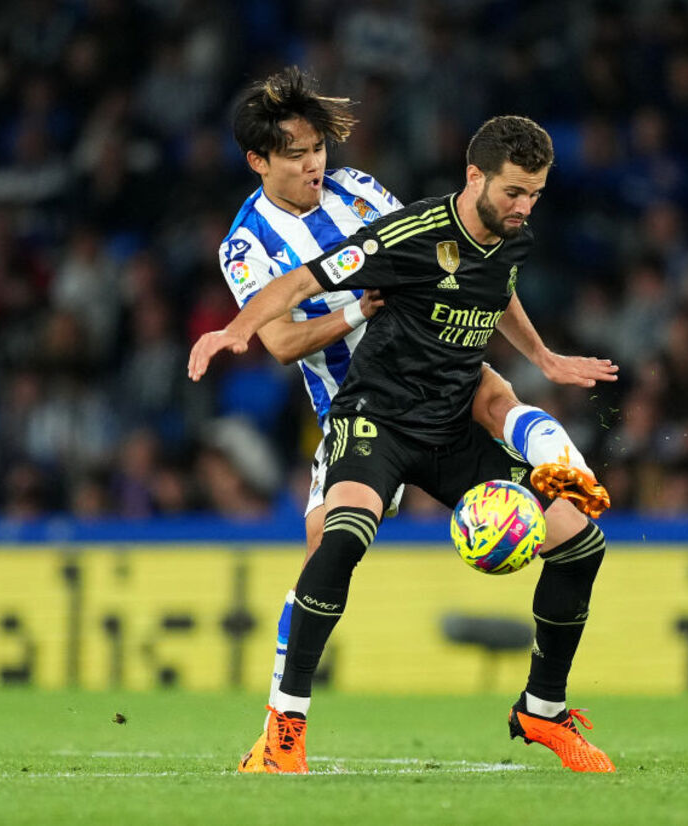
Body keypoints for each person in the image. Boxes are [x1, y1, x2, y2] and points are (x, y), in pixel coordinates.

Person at [214, 69, 617, 770]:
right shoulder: (247, 244)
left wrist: (543, 355)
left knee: (578, 540)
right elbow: (280, 340)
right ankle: (283, 729)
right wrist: (356, 311)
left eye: (318, 148)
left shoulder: (363, 192)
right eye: (297, 154)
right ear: (259, 162)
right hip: (361, 405)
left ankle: (543, 711)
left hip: (445, 384)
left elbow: (458, 266)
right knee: (333, 546)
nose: (315, 163)